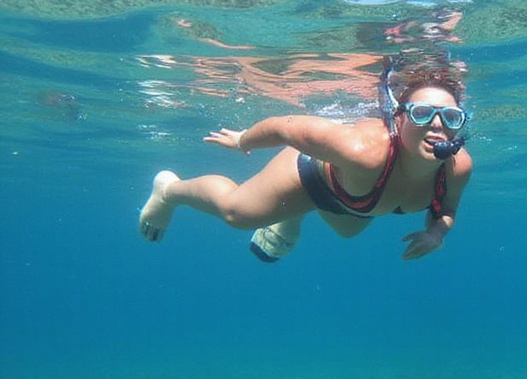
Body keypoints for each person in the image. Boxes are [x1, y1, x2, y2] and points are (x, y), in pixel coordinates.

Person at [137, 60, 472, 261]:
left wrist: (437, 234)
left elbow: (446, 209)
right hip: (310, 173)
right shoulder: (363, 149)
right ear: (398, 118)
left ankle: (290, 215)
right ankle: (169, 190)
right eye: (423, 113)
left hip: (352, 200)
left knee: (348, 233)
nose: (438, 125)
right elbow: (288, 128)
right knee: (237, 213)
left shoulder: (457, 168)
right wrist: (243, 140)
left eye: (451, 116)